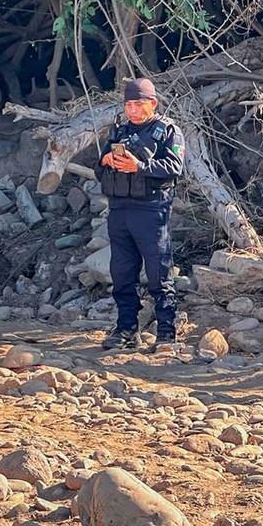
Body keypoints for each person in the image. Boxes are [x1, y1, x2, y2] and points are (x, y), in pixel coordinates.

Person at [95, 78, 186, 355]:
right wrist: (105, 160)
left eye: (138, 104)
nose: (132, 110)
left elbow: (175, 166)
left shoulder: (168, 131)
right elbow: (98, 170)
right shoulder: (119, 131)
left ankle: (167, 333)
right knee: (122, 273)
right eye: (128, 105)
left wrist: (140, 166)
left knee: (159, 273)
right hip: (120, 209)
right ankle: (126, 329)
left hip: (151, 209)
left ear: (152, 104)